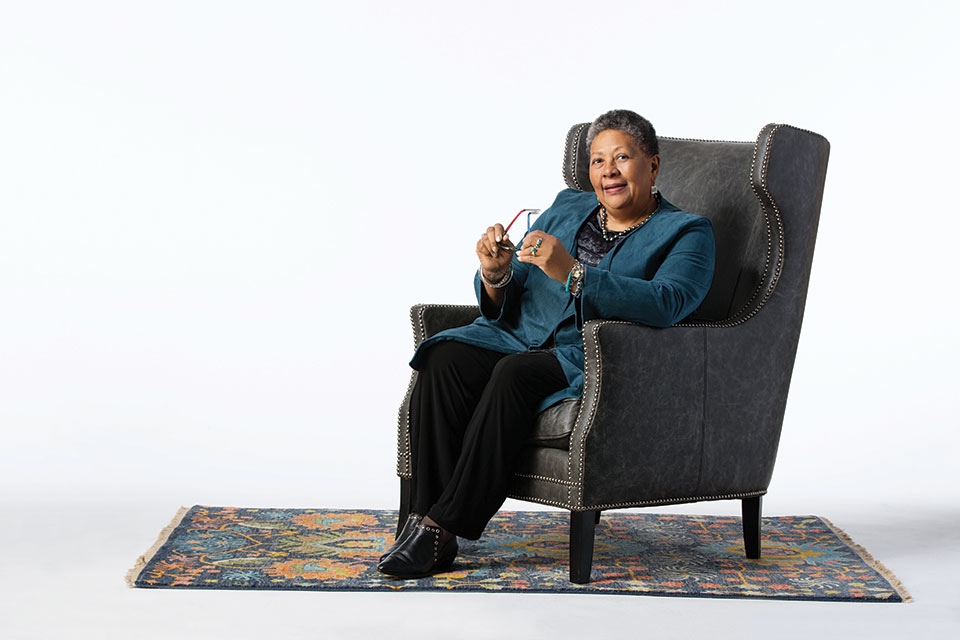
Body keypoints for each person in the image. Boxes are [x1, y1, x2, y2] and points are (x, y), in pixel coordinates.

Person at [377, 109, 716, 579]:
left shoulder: (687, 232)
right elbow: (517, 283)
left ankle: (441, 527)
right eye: (598, 161)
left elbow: (669, 302)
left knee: (516, 374)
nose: (608, 172)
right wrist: (495, 274)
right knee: (444, 356)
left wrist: (576, 275)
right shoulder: (568, 206)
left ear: (653, 166)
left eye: (622, 158)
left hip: (586, 356)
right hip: (516, 334)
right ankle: (421, 519)